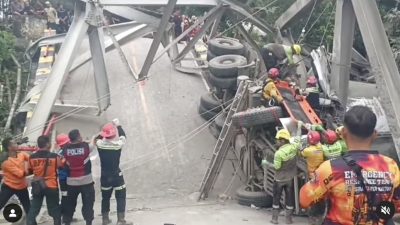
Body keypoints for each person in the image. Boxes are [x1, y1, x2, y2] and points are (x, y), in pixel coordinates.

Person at [300, 105, 400, 225]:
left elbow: (305, 200)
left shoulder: (330, 168)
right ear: (375, 134)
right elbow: (396, 205)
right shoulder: (391, 166)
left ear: (343, 132)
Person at [263, 123, 302, 224]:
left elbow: (277, 167)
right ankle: (288, 220)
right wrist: (299, 127)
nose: (276, 142)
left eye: (277, 140)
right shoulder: (294, 147)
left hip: (279, 180)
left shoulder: (279, 153)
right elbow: (298, 137)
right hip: (289, 179)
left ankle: (274, 219)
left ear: (282, 140)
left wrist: (267, 163)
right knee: (289, 198)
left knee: (276, 198)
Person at [95, 119, 133, 225]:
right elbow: (123, 136)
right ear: (113, 134)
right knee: (120, 195)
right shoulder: (118, 145)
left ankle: (105, 219)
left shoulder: (99, 144)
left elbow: (97, 138)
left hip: (105, 176)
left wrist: (102, 131)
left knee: (105, 197)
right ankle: (121, 220)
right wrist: (118, 125)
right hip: (116, 175)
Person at [27, 135, 63, 225]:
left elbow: (29, 170)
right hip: (51, 186)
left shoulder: (32, 157)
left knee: (34, 209)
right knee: (54, 209)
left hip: (37, 187)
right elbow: (60, 166)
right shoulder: (54, 156)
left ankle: (30, 223)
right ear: (47, 144)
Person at [62, 129, 95, 225]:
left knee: (70, 204)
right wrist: (92, 138)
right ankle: (88, 222)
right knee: (88, 204)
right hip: (86, 182)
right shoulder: (86, 147)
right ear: (78, 137)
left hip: (71, 183)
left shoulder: (65, 149)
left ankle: (67, 221)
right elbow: (92, 145)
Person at [0, 138, 31, 218]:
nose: (17, 144)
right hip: (9, 186)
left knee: (28, 208)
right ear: (9, 148)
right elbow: (21, 174)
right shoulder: (6, 162)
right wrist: (29, 168)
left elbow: (32, 159)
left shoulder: (21, 154)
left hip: (21, 186)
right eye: (14, 143)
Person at [299, 131, 325, 225]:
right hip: (322, 174)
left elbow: (300, 153)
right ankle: (320, 216)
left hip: (313, 176)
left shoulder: (308, 150)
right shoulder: (321, 147)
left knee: (313, 197)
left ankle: (313, 218)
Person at [56, 134, 76, 224]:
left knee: (66, 197)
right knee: (67, 198)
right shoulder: (63, 153)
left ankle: (67, 216)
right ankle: (64, 217)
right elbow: (68, 164)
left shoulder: (60, 152)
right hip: (66, 179)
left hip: (63, 179)